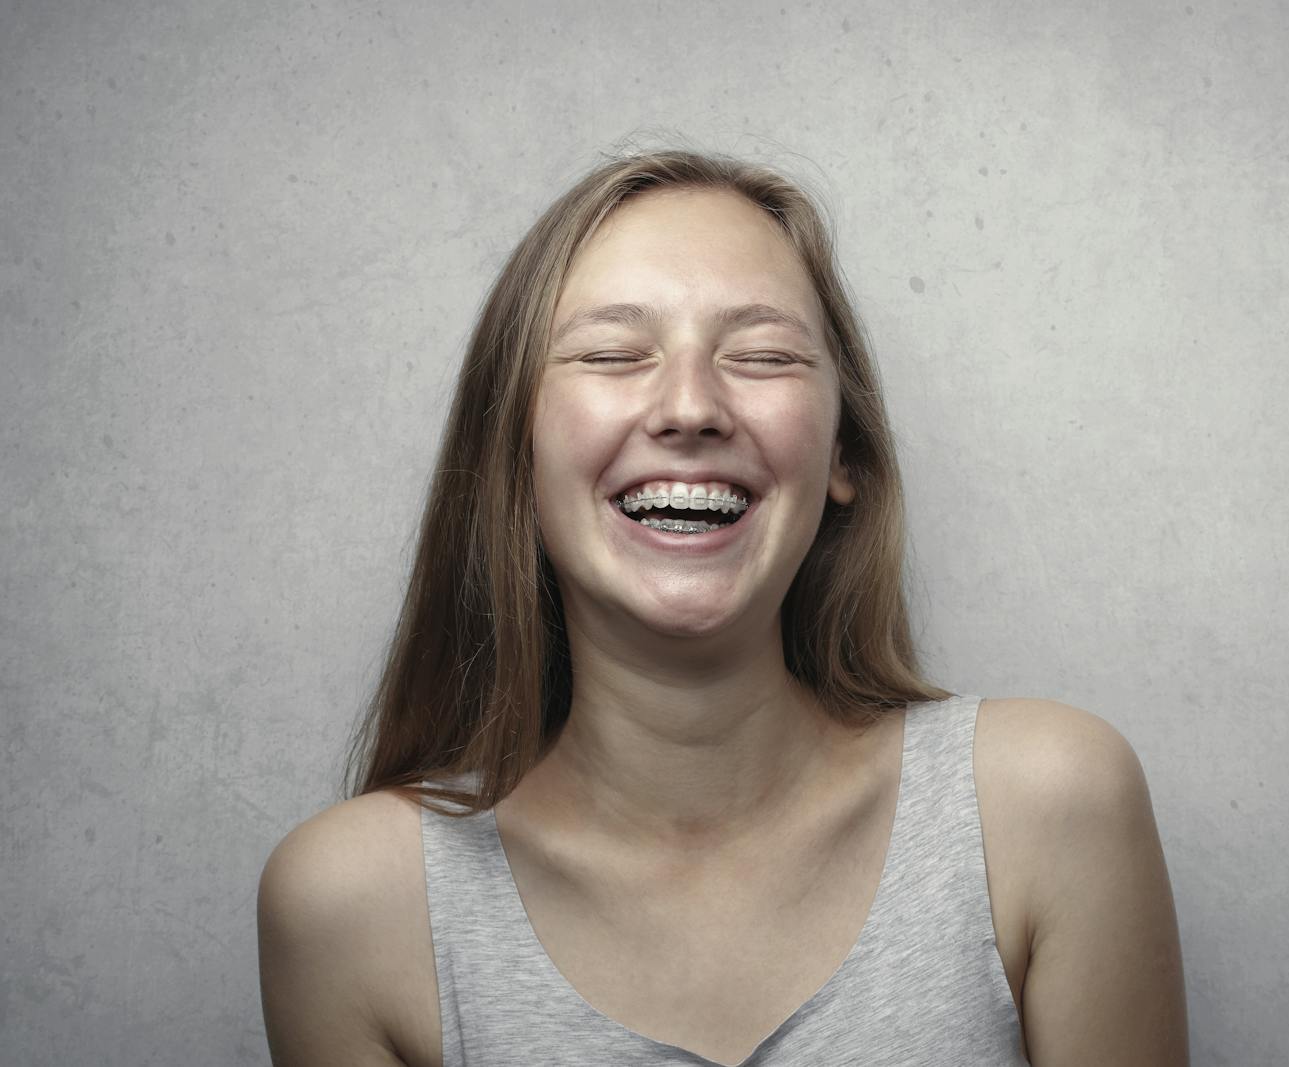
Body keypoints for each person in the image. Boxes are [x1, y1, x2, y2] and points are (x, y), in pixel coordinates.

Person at [256, 148, 1188, 1066]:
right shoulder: (352, 909)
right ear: (513, 451)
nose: (691, 405)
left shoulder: (1048, 808)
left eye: (763, 353)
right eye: (615, 352)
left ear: (842, 457)